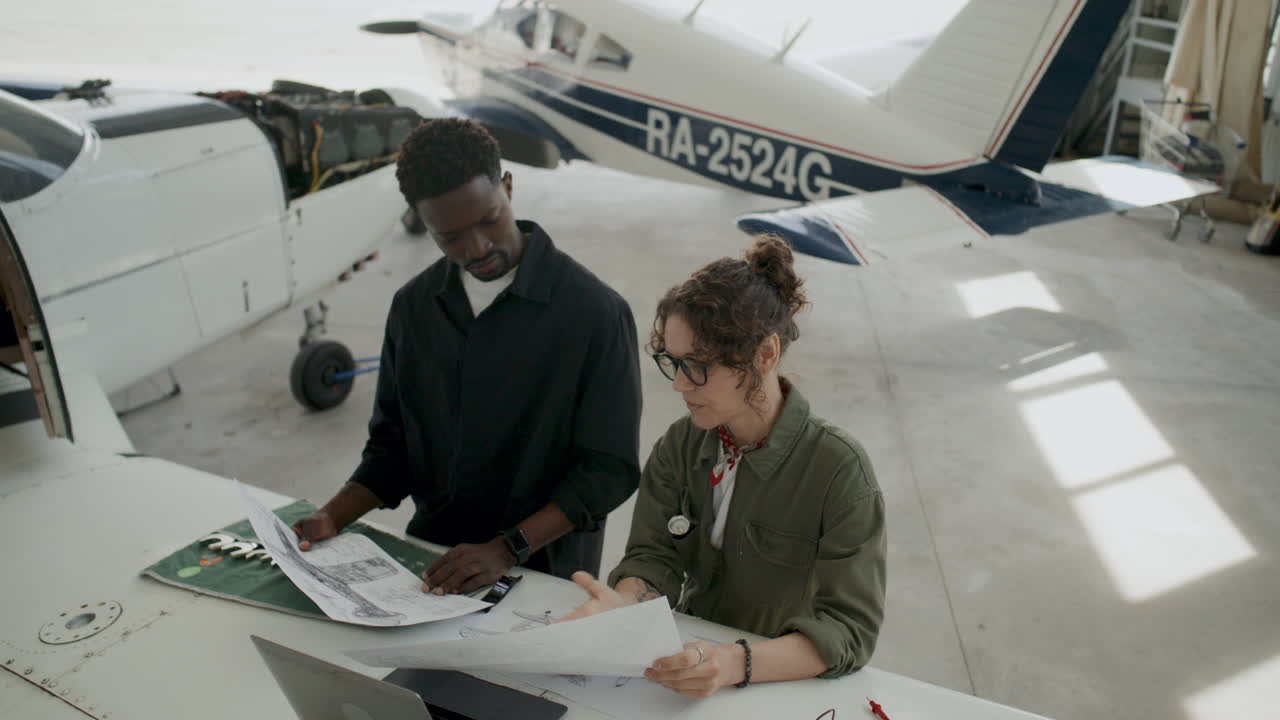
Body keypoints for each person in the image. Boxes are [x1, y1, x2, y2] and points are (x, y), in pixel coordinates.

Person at [293, 118, 642, 594]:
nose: (477, 248)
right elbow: (392, 448)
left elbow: (608, 471)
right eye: (450, 237)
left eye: (488, 220)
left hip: (547, 576)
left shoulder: (594, 314)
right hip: (433, 565)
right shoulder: (413, 308)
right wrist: (331, 516)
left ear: (508, 187)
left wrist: (506, 549)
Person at [563, 236, 886, 698]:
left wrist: (734, 662)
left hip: (781, 684)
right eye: (673, 363)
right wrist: (626, 603)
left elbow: (850, 630)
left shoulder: (840, 471)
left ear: (765, 355)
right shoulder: (680, 445)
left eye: (697, 366)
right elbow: (654, 557)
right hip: (689, 665)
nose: (679, 385)